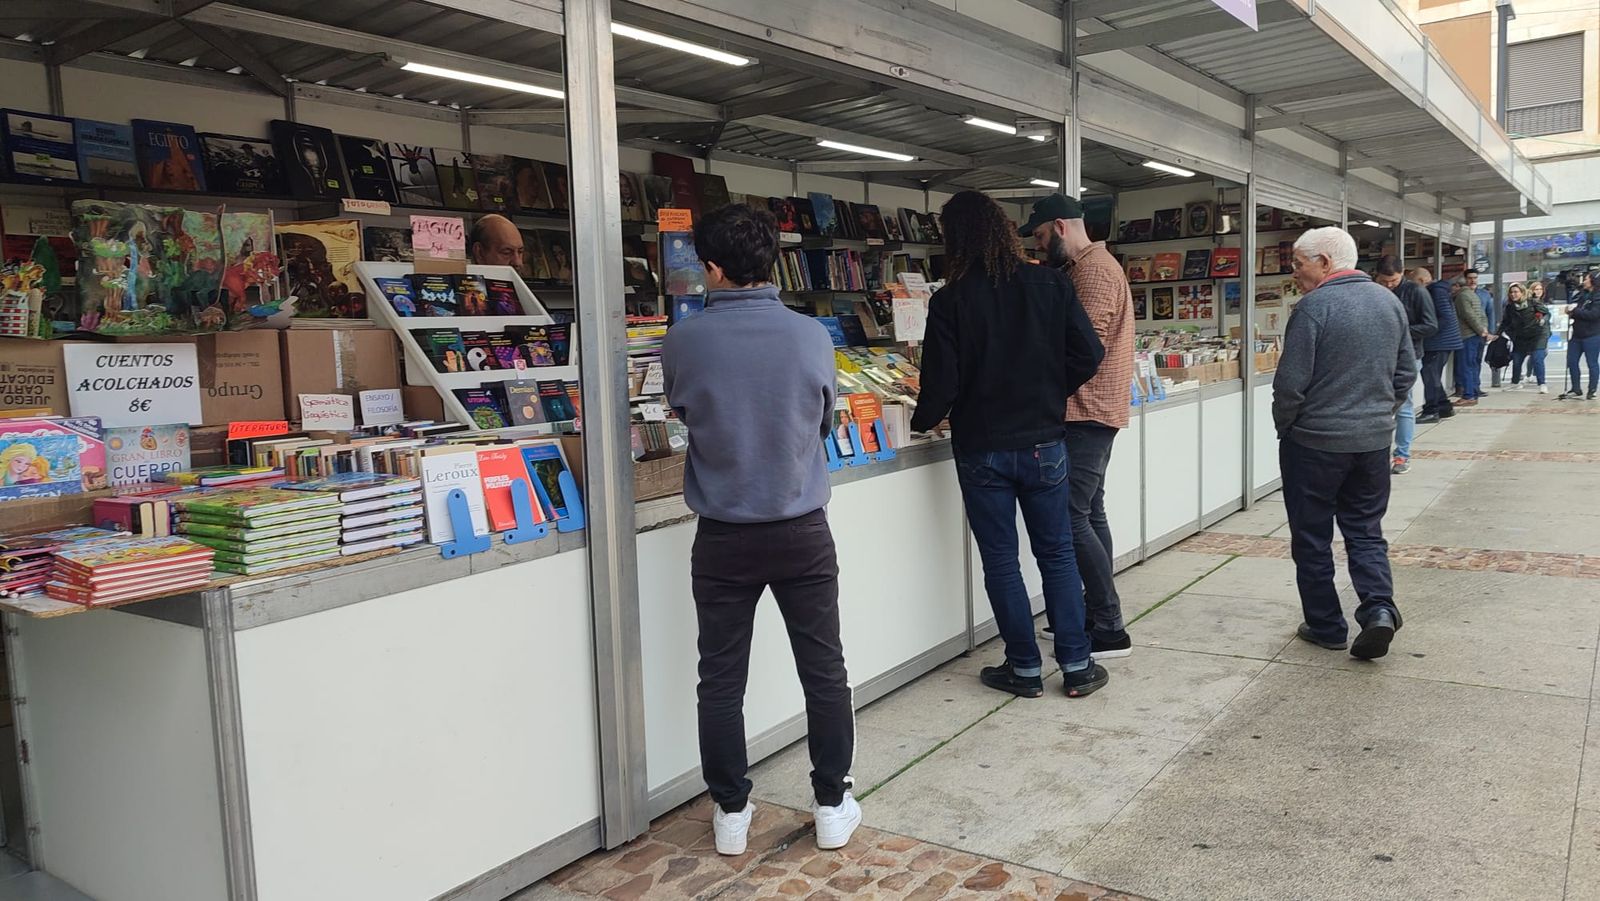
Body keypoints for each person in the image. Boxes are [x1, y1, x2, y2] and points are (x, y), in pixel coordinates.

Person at [661, 203, 861, 856]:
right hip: (802, 526)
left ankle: (730, 811)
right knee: (824, 668)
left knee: (720, 678)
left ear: (712, 267)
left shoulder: (684, 340)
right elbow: (824, 421)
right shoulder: (810, 336)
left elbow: (681, 409)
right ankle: (831, 802)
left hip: (723, 532)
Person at [911, 190, 1108, 699]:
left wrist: (921, 422)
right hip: (1044, 441)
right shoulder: (1050, 284)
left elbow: (940, 383)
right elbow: (1089, 353)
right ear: (1002, 230)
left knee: (1001, 561)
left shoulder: (951, 300)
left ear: (956, 239)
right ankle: (1078, 665)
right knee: (1057, 555)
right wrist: (1049, 391)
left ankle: (1023, 669)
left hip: (981, 446)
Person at [1274, 228, 1414, 660]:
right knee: (1366, 530)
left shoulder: (1313, 308)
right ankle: (1378, 609)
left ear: (1325, 262)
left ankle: (1326, 624)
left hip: (1314, 443)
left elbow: (1290, 384)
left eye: (1299, 263)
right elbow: (1406, 372)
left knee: (1311, 536)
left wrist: (1287, 427)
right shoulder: (1389, 302)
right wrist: (1381, 415)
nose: (1294, 272)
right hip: (1371, 442)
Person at [1020, 194, 1134, 658]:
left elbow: (1083, 346)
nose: (1039, 245)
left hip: (1086, 411)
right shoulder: (1084, 268)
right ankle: (1091, 613)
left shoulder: (1094, 271)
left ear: (1061, 227)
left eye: (1041, 235)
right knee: (1090, 512)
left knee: (1071, 515)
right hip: (1090, 409)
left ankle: (1109, 627)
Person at [1373, 256, 1435, 475]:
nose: (1389, 285)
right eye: (1384, 281)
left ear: (1403, 274)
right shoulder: (1373, 291)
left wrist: (1400, 331)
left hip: (1407, 356)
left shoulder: (1416, 291)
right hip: (1378, 357)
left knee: (1404, 406)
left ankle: (1402, 455)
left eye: (1394, 281)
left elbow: (1430, 325)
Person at [1416, 266, 1461, 423]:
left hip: (1440, 341)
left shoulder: (1436, 291)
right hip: (1443, 340)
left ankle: (1431, 410)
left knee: (1430, 375)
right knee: (1432, 375)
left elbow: (1445, 317)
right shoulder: (1438, 290)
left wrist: (1428, 330)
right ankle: (1444, 406)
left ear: (1421, 280)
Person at [1500, 281, 1552, 393]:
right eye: (1511, 292)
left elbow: (1547, 313)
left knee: (1537, 359)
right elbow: (1505, 322)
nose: (1513, 294)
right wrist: (1497, 333)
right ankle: (1515, 383)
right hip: (1521, 336)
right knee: (1517, 360)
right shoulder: (1510, 307)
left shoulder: (1532, 302)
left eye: (1516, 292)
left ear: (1522, 292)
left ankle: (1542, 383)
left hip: (1537, 335)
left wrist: (1543, 320)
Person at [1451, 274, 1493, 406]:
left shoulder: (1462, 296)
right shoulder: (1473, 295)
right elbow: (1482, 315)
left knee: (1466, 366)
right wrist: (1484, 329)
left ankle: (1468, 395)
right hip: (1477, 335)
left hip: (1467, 335)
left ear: (1457, 286)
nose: (1451, 290)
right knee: (1473, 365)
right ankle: (1474, 391)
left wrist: (1480, 330)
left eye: (1452, 287)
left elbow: (1468, 315)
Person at [1561, 272, 1600, 400]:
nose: (1584, 282)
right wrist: (1570, 311)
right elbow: (1576, 308)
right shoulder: (1582, 294)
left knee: (1592, 363)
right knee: (1571, 361)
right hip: (1577, 334)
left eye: (1586, 279)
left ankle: (1592, 390)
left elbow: (1594, 314)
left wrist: (1575, 311)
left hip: (1592, 335)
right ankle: (1575, 388)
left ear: (1593, 281)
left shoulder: (1597, 296)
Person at [1467, 271, 1503, 387]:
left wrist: (1491, 332)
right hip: (1467, 333)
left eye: (1475, 278)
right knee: (1468, 361)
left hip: (1482, 333)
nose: (1473, 280)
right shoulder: (1462, 294)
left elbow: (1490, 313)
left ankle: (1475, 386)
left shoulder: (1484, 294)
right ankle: (1467, 387)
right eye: (1470, 278)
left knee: (1477, 360)